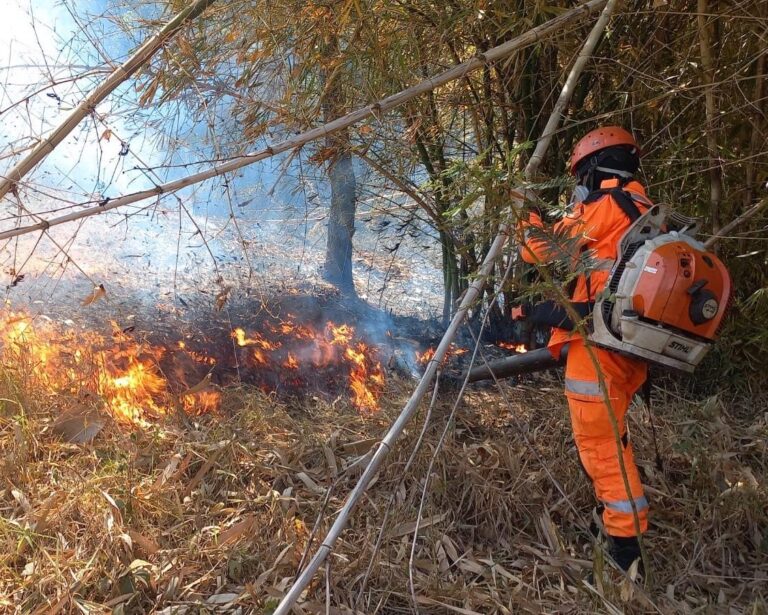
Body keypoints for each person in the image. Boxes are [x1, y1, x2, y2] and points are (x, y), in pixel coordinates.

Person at [516, 126, 652, 571]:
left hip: (600, 348)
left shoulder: (607, 205)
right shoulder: (645, 210)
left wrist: (523, 216)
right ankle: (612, 521)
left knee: (600, 445)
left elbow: (544, 252)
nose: (579, 186)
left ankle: (625, 551)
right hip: (628, 347)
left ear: (595, 169)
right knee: (611, 438)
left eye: (581, 176)